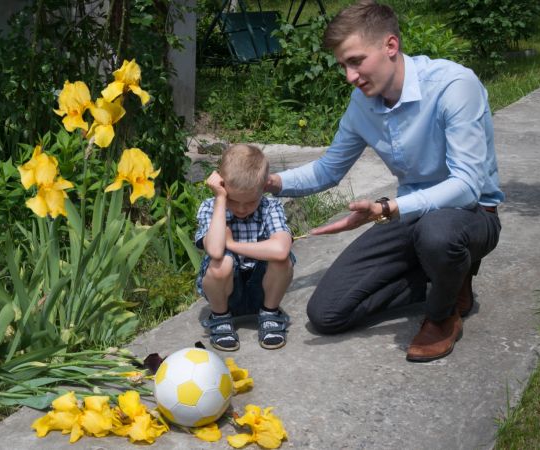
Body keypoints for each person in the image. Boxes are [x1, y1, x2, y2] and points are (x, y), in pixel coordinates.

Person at [264, 0, 503, 362]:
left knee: (438, 234)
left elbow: (468, 184)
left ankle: (442, 315)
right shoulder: (362, 104)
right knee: (326, 313)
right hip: (410, 216)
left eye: (356, 61)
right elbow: (329, 169)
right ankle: (448, 278)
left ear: (390, 46)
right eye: (343, 65)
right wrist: (268, 182)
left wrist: (389, 208)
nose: (349, 76)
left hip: (470, 215)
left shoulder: (454, 85)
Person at [195, 144, 294, 351]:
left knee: (282, 261)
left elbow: (281, 249)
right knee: (221, 262)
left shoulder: (270, 207)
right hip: (228, 293)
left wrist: (231, 243)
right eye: (233, 200)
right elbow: (214, 250)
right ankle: (220, 317)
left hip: (263, 290)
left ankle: (269, 313)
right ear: (222, 184)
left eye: (249, 202)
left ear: (264, 187)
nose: (241, 209)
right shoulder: (211, 207)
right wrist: (221, 199)